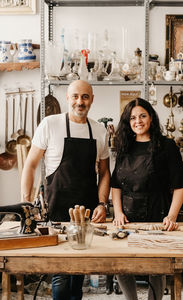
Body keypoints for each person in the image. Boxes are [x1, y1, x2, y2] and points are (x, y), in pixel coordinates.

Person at [21, 80, 110, 300]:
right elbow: (30, 164)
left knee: (79, 270)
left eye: (85, 97)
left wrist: (101, 203)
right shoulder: (50, 124)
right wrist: (27, 203)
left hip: (85, 212)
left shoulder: (98, 130)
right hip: (58, 208)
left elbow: (105, 172)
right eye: (76, 96)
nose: (80, 102)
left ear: (91, 99)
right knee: (60, 273)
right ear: (68, 98)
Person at [111, 98, 183, 300]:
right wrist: (118, 213)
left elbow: (180, 185)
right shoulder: (124, 147)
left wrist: (172, 216)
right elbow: (116, 185)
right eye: (133, 118)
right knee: (122, 265)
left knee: (157, 267)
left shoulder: (167, 146)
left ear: (151, 117)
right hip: (128, 218)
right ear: (128, 122)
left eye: (142, 116)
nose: (138, 121)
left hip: (157, 214)